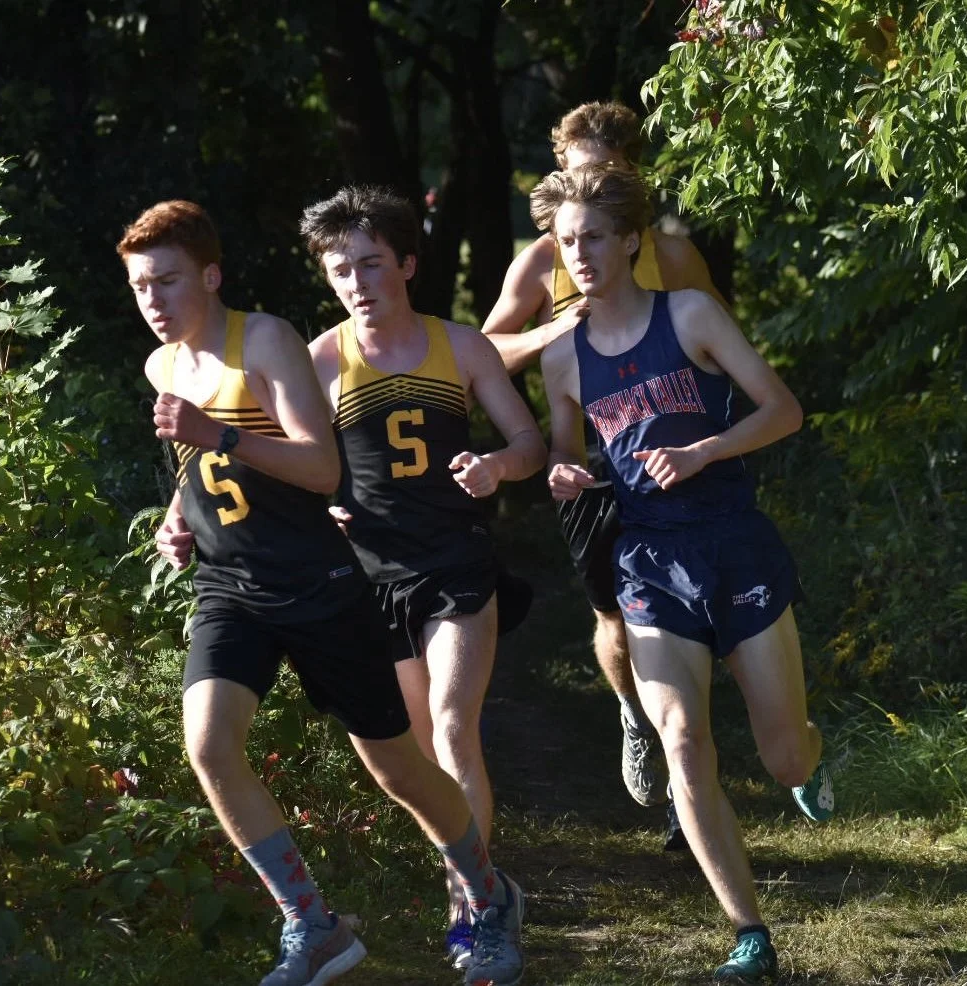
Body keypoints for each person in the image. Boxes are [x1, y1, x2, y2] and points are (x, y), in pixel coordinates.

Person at [120, 199, 526, 986]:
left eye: (167, 281)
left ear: (210, 276)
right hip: (229, 587)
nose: (153, 300)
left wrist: (217, 433)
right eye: (140, 286)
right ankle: (313, 924)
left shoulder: (266, 341)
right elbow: (198, 470)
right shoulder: (160, 365)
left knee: (401, 771)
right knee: (208, 744)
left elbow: (320, 468)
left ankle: (487, 898)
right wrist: (178, 521)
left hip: (317, 583)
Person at [534, 166, 834, 984]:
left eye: (594, 237)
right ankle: (749, 935)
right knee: (682, 742)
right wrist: (562, 472)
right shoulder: (560, 360)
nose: (580, 254)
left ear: (630, 239)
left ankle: (810, 757)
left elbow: (782, 410)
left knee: (781, 759)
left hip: (734, 545)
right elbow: (562, 452)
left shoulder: (691, 314)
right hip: (648, 561)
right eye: (566, 242)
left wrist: (704, 450)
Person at [300, 185, 545, 974]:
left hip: (454, 564)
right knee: (416, 760)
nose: (357, 282)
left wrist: (496, 466)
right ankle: (488, 890)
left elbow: (529, 443)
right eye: (341, 270)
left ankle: (472, 916)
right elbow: (291, 467)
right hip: (371, 579)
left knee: (451, 725)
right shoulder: (321, 360)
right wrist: (321, 509)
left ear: (406, 264)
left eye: (371, 264)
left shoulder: (461, 347)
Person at [482, 101, 729, 822]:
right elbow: (481, 353)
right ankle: (632, 712)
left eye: (611, 175)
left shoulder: (670, 255)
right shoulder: (543, 260)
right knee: (617, 620)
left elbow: (721, 348)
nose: (592, 188)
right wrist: (548, 332)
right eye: (581, 172)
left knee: (690, 616)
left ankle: (689, 775)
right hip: (587, 460)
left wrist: (710, 440)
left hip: (669, 454)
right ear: (561, 170)